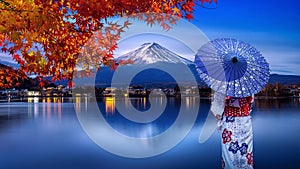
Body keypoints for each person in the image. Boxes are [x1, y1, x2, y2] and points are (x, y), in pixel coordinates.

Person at [215, 95, 254, 169]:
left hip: (230, 121)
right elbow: (250, 104)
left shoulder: (224, 87)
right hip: (245, 121)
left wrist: (219, 120)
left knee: (229, 154)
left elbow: (218, 107)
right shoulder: (247, 88)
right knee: (245, 151)